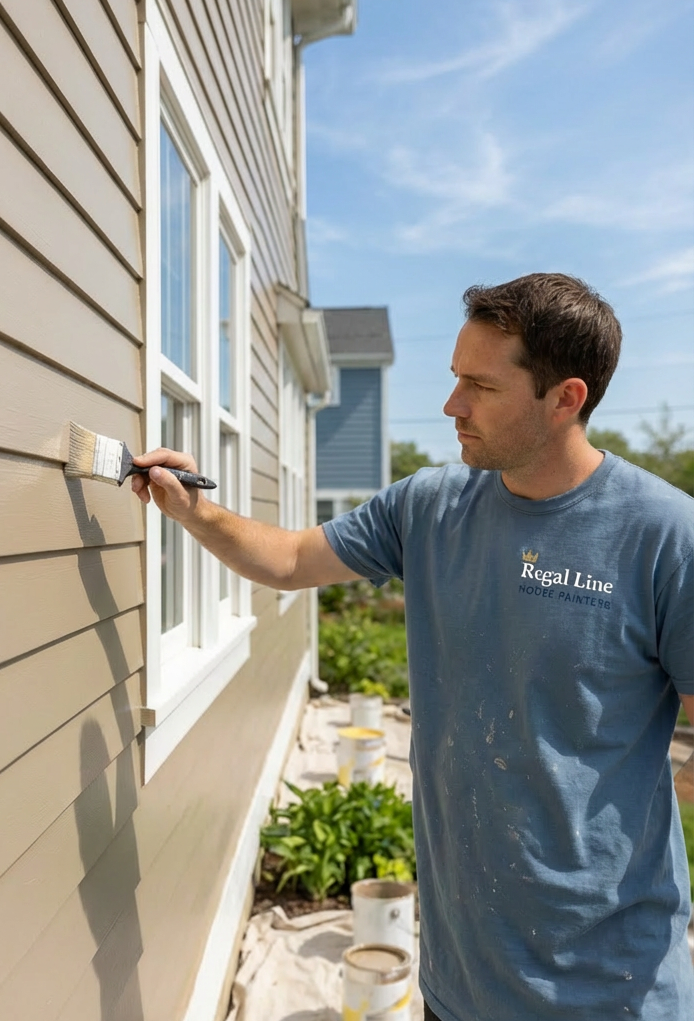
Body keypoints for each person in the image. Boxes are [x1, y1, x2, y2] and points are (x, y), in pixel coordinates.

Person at [132, 273, 694, 1021]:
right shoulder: (429, 507)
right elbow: (292, 560)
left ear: (565, 399)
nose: (451, 405)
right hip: (461, 982)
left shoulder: (664, 537)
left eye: (479, 386)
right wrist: (193, 510)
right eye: (454, 377)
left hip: (611, 991)